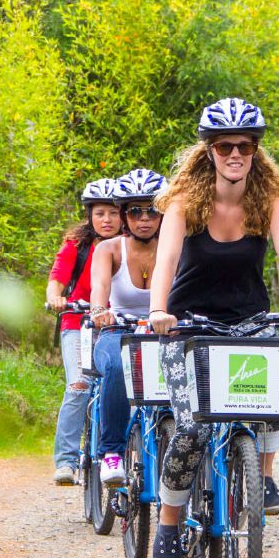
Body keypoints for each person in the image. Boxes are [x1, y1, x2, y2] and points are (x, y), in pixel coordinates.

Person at [146, 97, 279, 558]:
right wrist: (158, 311)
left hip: (248, 319)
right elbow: (164, 262)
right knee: (192, 427)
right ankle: (168, 521)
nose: (235, 154)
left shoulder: (270, 202)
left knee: (269, 394)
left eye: (245, 145)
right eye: (225, 146)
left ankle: (263, 479)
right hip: (187, 324)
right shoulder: (184, 204)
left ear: (255, 151)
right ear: (209, 151)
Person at [89, 167, 167, 485]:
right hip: (118, 330)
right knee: (119, 367)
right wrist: (99, 311)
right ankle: (111, 452)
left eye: (152, 210)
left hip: (164, 330)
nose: (144, 218)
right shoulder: (108, 250)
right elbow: (99, 291)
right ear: (124, 215)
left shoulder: (176, 248)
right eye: (135, 211)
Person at [46, 178, 122, 485]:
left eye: (114, 213)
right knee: (79, 385)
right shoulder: (76, 245)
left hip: (119, 325)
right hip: (78, 323)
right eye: (100, 213)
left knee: (122, 388)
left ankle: (117, 452)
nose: (107, 220)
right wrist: (56, 298)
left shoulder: (131, 245)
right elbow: (57, 278)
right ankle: (66, 461)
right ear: (89, 214)